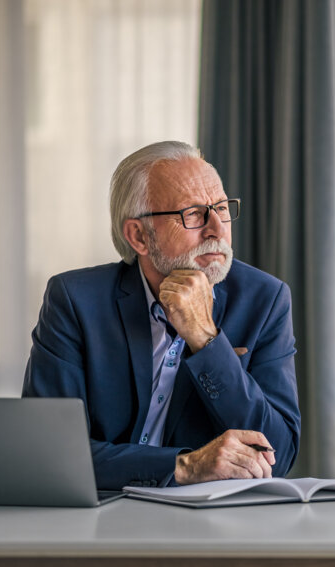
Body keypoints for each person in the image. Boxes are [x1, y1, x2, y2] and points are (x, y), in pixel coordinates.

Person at [22, 141, 300, 489]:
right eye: (194, 214)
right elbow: (46, 451)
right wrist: (184, 465)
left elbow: (280, 454)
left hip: (209, 527)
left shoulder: (265, 300)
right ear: (139, 236)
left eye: (222, 208)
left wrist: (206, 341)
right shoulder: (76, 301)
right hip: (98, 518)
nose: (217, 229)